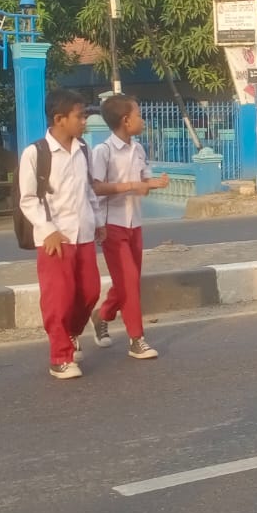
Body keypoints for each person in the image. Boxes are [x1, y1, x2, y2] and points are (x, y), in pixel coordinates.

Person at [18, 91, 105, 380]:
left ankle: (71, 333)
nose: (85, 121)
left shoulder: (83, 150)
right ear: (59, 119)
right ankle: (60, 357)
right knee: (59, 299)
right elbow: (27, 199)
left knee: (90, 291)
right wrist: (48, 231)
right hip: (55, 239)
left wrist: (98, 221)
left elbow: (88, 190)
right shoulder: (35, 153)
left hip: (84, 234)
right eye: (80, 116)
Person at [90, 95, 170, 361]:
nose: (142, 120)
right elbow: (96, 187)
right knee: (128, 281)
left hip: (134, 222)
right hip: (111, 223)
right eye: (138, 115)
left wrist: (153, 184)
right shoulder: (103, 151)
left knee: (129, 279)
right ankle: (137, 339)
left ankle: (103, 314)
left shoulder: (138, 149)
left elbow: (143, 184)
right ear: (126, 120)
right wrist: (133, 186)